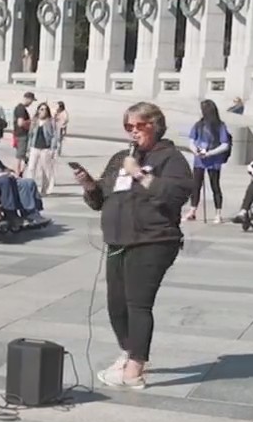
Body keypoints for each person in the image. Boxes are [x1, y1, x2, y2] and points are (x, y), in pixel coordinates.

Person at [72, 102, 194, 389]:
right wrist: (89, 185)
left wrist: (140, 174)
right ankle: (128, 352)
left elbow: (175, 195)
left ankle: (135, 369)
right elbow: (100, 200)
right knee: (116, 304)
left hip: (153, 240)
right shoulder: (121, 158)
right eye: (129, 127)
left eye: (140, 125)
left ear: (156, 125)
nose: (133, 132)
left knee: (137, 303)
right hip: (118, 241)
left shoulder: (171, 158)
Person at [0, 130, 50, 228]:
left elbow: (0, 165)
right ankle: (11, 214)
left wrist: (10, 171)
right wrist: (3, 174)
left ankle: (31, 212)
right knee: (6, 180)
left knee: (27, 183)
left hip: (0, 175)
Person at [186, 99, 232, 223]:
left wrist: (210, 153)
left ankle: (218, 213)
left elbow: (225, 144)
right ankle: (192, 210)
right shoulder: (198, 125)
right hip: (199, 159)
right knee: (196, 185)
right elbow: (191, 140)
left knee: (215, 185)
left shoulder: (220, 126)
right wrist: (195, 150)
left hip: (214, 160)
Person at [25, 102, 57, 196]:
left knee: (46, 169)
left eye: (45, 109)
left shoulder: (51, 121)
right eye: (41, 109)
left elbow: (54, 135)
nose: (43, 111)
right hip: (34, 147)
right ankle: (30, 188)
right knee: (31, 168)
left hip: (45, 148)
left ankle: (45, 189)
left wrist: (53, 148)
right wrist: (28, 148)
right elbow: (30, 135)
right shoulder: (35, 121)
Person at [11, 91, 35, 174]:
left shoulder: (19, 108)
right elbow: (20, 123)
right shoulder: (21, 109)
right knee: (20, 155)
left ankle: (19, 171)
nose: (31, 103)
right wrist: (29, 121)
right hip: (21, 135)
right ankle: (17, 172)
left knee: (21, 154)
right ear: (28, 99)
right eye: (31, 101)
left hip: (18, 134)